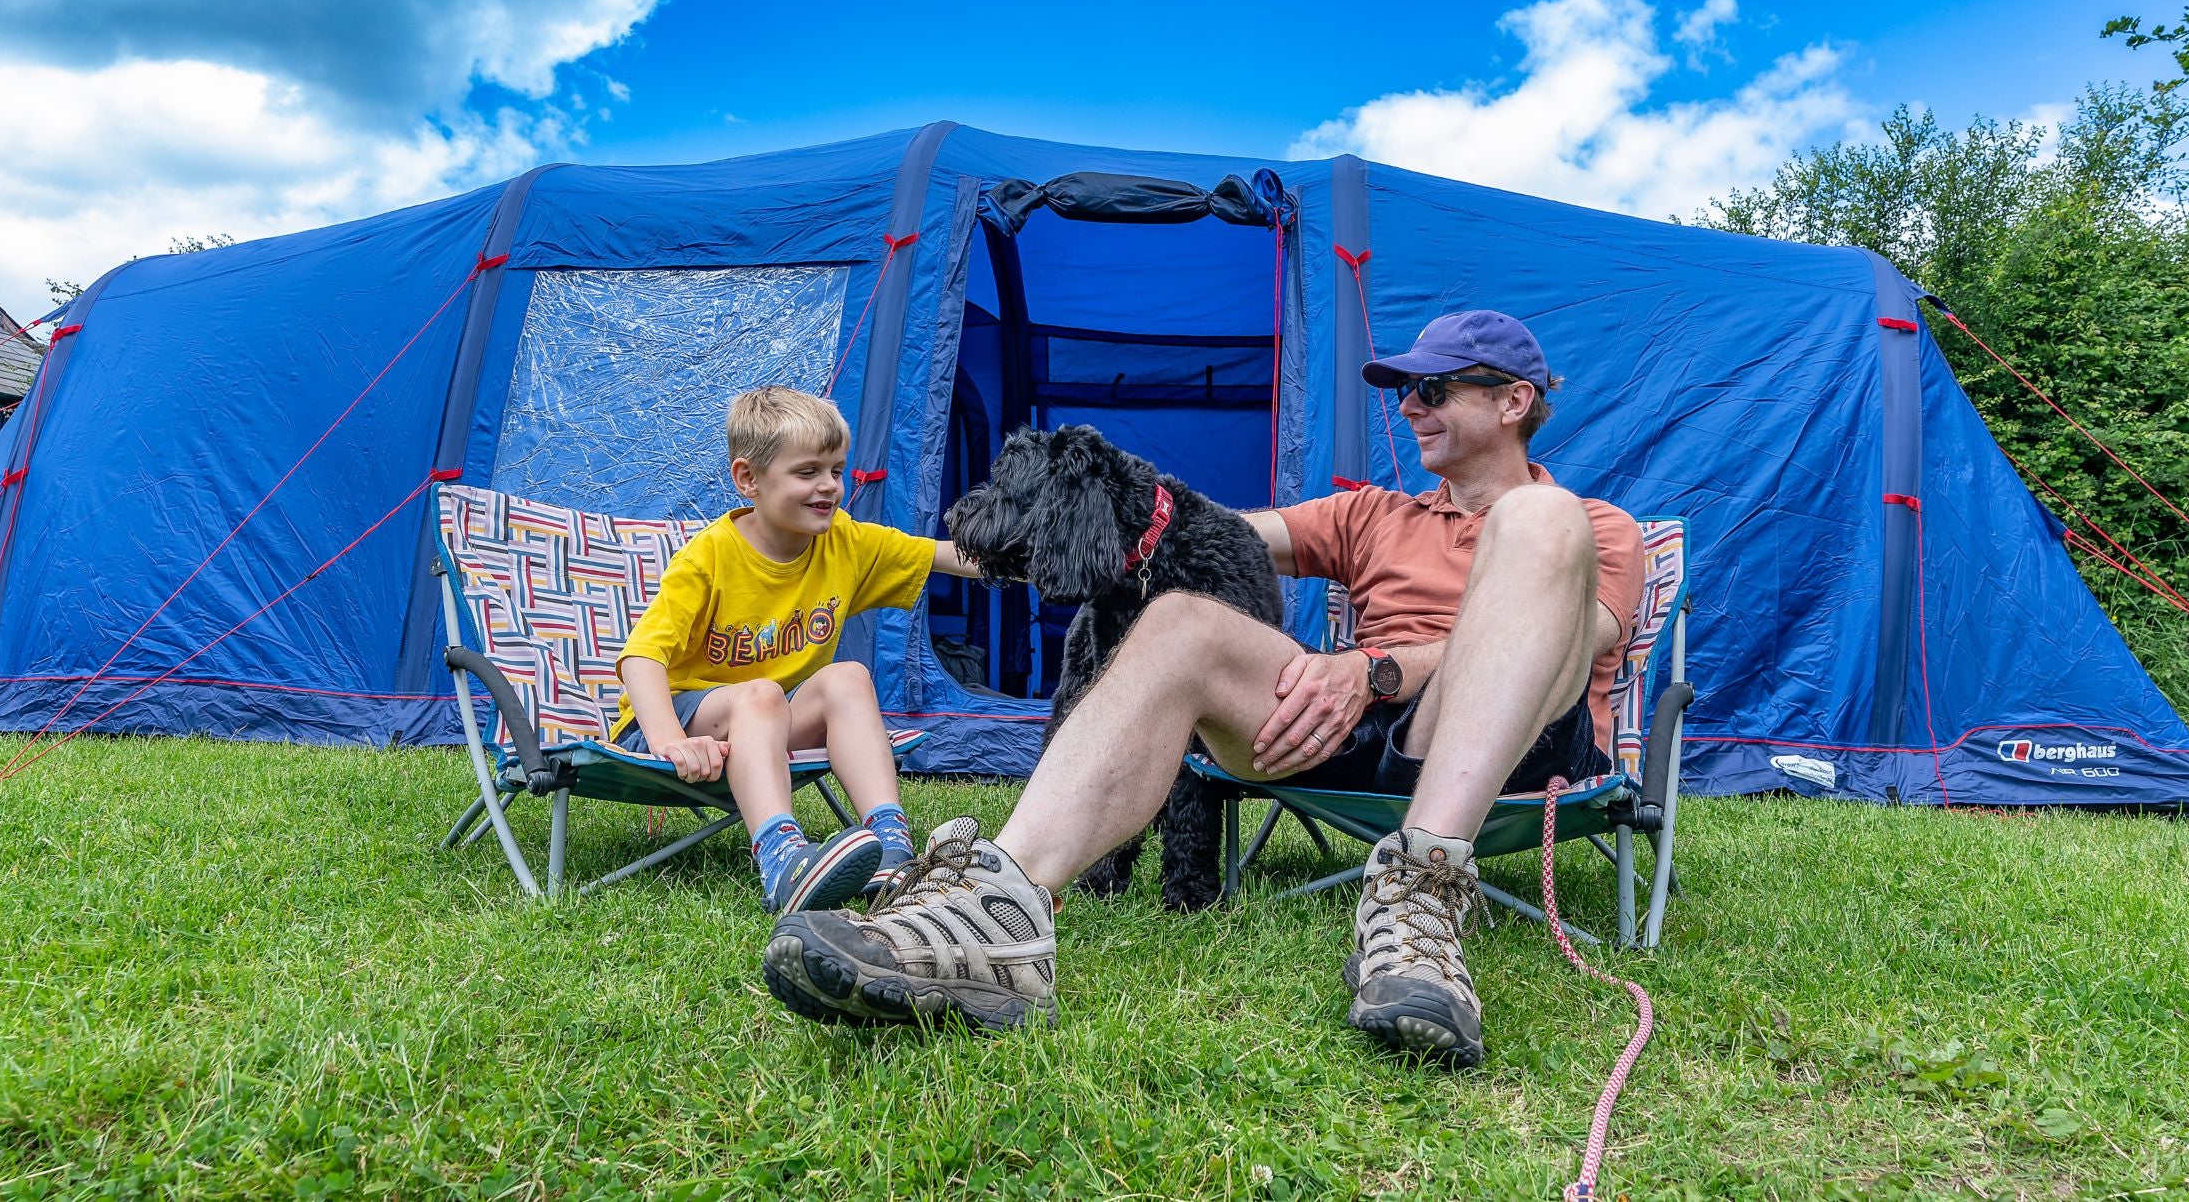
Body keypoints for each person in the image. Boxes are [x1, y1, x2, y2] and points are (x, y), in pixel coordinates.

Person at [760, 311, 1641, 1068]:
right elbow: (1187, 524)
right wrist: (1058, 502)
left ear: (1512, 401)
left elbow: (1575, 641)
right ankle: (997, 910)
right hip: (1358, 738)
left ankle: (1419, 894)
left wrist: (1375, 668)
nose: (1409, 406)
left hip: (1515, 741)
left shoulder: (1589, 528)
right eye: (1405, 391)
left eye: (1433, 390)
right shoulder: (1373, 514)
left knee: (1537, 514)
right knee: (1182, 616)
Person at [616, 385, 981, 913]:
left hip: (766, 723)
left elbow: (947, 556)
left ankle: (892, 846)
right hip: (675, 721)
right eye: (807, 472)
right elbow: (642, 658)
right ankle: (782, 860)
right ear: (749, 479)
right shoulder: (709, 558)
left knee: (848, 677)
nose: (829, 485)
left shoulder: (845, 543)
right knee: (761, 694)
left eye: (836, 470)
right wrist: (669, 739)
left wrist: (1055, 557)